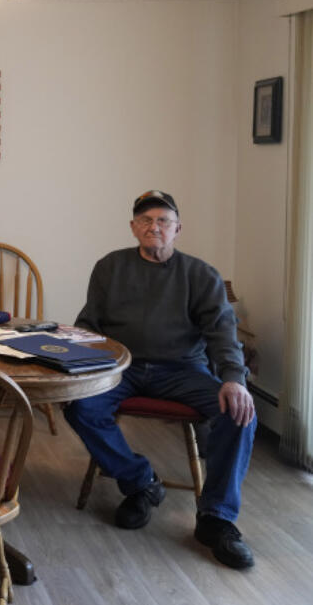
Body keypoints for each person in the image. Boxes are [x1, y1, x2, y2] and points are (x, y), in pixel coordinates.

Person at [64, 190, 256, 569]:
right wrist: (79, 356)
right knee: (79, 406)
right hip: (122, 367)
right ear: (133, 228)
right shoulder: (110, 267)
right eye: (146, 220)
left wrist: (234, 379)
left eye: (163, 221)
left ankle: (216, 519)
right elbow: (89, 324)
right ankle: (140, 483)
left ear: (177, 229)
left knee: (238, 412)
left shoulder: (201, 275)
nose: (155, 227)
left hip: (183, 370)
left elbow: (222, 332)